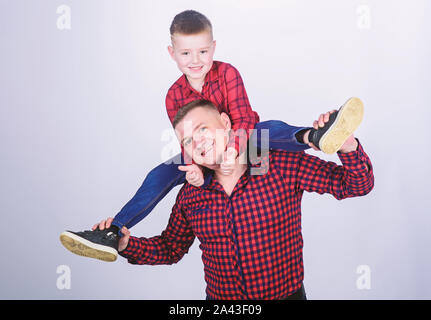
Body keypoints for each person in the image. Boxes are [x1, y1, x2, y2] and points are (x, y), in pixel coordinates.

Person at [59, 10, 364, 262]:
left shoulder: (228, 75)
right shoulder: (173, 97)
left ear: (213, 49)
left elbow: (244, 118)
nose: (195, 60)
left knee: (263, 130)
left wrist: (232, 150)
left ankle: (314, 136)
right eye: (186, 53)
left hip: (252, 146)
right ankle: (113, 231)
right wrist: (197, 174)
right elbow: (170, 245)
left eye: (203, 51)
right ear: (172, 53)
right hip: (206, 170)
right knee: (159, 174)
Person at [91, 99, 374, 299]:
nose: (197, 142)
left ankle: (313, 136)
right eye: (187, 140)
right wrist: (127, 244)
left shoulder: (281, 165)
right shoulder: (190, 195)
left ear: (226, 123)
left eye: (202, 129)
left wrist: (348, 145)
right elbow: (170, 248)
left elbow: (355, 184)